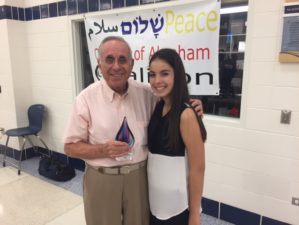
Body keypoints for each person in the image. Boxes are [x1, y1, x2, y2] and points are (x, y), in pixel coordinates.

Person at [63, 36, 203, 225]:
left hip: (140, 179)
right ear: (99, 62)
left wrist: (193, 105)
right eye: (109, 59)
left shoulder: (146, 94)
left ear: (131, 63)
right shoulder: (85, 99)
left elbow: (171, 103)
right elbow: (70, 147)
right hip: (102, 177)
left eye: (122, 59)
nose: (116, 66)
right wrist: (102, 150)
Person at [147, 48, 206, 225]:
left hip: (177, 207)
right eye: (152, 74)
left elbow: (198, 168)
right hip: (155, 202)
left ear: (177, 75)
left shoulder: (186, 115)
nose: (157, 81)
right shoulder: (158, 106)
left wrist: (195, 214)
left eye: (164, 74)